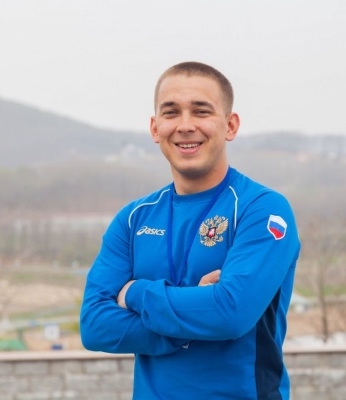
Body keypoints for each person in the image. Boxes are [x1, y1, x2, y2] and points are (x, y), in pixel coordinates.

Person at [80, 61, 300, 399]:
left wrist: (136, 292)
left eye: (201, 111)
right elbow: (94, 325)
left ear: (230, 125)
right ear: (155, 128)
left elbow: (230, 313)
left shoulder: (262, 209)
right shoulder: (133, 219)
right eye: (171, 113)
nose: (185, 125)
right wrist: (190, 318)